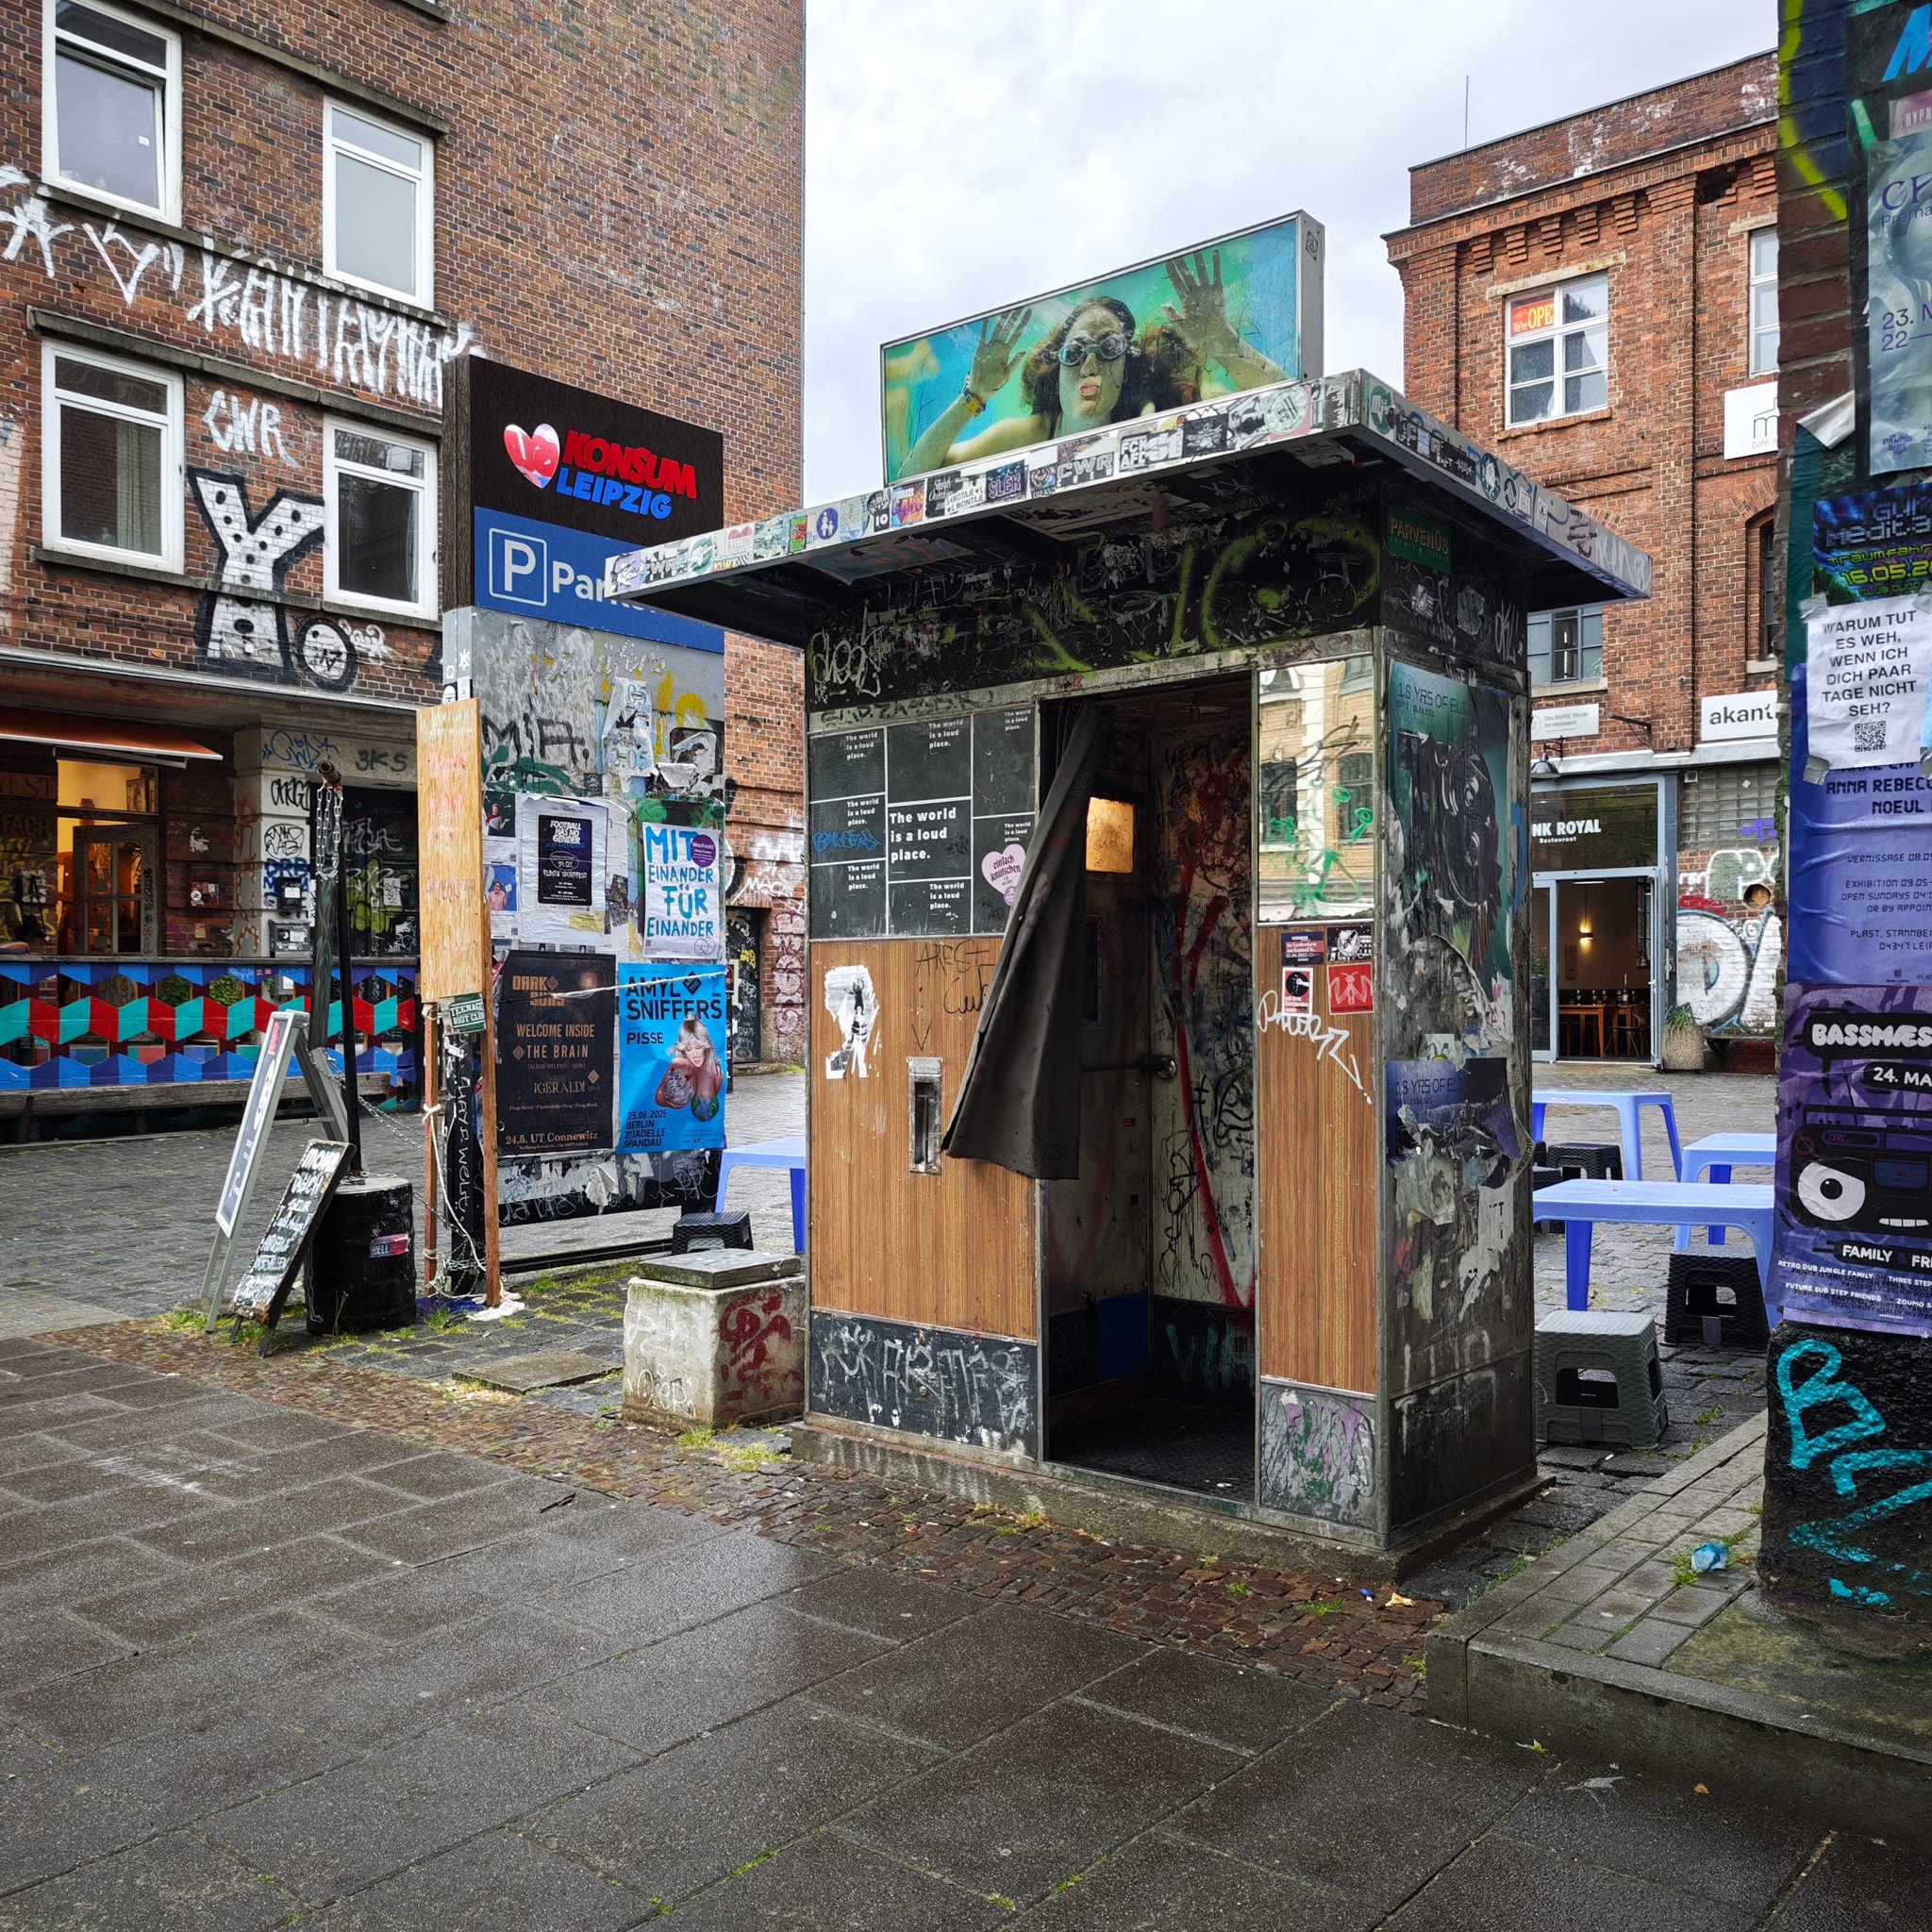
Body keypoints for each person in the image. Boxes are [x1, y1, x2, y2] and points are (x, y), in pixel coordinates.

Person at [901, 250, 1291, 476]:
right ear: (1057, 371)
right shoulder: (1031, 433)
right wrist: (972, 397)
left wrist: (1222, 342)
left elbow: (1290, 409)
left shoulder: (1158, 417)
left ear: (1126, 366)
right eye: (1074, 353)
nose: (1089, 365)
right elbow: (911, 480)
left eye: (1108, 348)